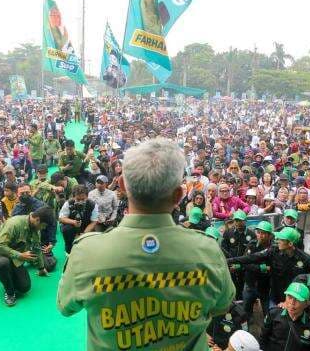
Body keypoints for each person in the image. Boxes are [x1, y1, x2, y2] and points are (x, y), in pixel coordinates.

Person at [57, 138, 235, 351]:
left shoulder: (87, 251)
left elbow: (65, 306)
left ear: (121, 185)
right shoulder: (208, 250)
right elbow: (221, 306)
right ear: (179, 195)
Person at [0, 208, 52, 306]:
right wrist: (20, 255)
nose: (43, 228)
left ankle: (6, 275)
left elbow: (36, 249)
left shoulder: (35, 229)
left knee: (24, 287)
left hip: (11, 258)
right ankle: (9, 293)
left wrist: (41, 267)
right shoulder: (14, 224)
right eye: (43, 226)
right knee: (3, 263)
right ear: (37, 220)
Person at [228, 227, 310, 307]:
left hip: (295, 301)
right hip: (276, 297)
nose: (278, 241)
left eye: (281, 239)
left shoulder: (306, 260)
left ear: (290, 243)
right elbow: (253, 257)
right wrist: (229, 260)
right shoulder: (273, 250)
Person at [260, 282, 310, 351]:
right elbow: (263, 338)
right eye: (289, 297)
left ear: (307, 304)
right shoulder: (273, 314)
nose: (292, 303)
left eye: (298, 299)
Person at [241, 220, 274, 323]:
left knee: (267, 313)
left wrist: (267, 268)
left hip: (265, 286)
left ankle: (267, 332)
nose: (260, 235)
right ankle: (245, 330)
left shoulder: (273, 248)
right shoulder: (252, 245)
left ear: (269, 235)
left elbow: (272, 267)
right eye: (259, 232)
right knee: (245, 311)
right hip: (250, 284)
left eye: (263, 233)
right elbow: (245, 263)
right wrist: (260, 268)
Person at [58, 184, 98, 254]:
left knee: (93, 235)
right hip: (71, 225)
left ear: (87, 197)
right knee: (66, 229)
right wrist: (73, 222)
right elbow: (61, 218)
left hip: (86, 225)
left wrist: (84, 234)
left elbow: (94, 222)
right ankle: (68, 248)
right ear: (73, 197)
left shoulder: (93, 205)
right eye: (78, 199)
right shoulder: (68, 203)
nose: (80, 202)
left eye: (83, 199)